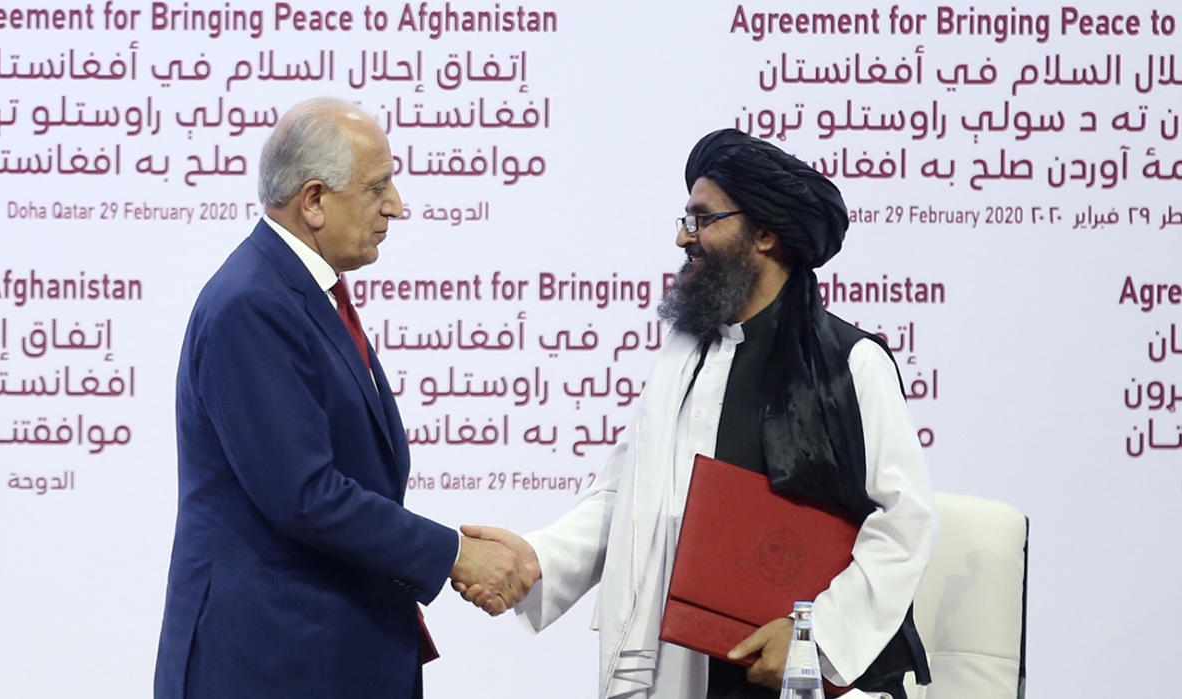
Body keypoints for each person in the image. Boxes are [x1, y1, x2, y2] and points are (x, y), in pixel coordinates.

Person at [461, 129, 937, 698]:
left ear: (763, 233)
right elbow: (628, 497)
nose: (686, 236)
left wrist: (815, 637)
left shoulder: (850, 363)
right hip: (687, 662)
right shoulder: (685, 358)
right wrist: (539, 557)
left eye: (704, 218)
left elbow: (904, 522)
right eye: (685, 219)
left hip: (802, 676)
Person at [154, 97, 530, 699]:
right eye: (377, 186)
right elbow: (304, 495)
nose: (396, 206)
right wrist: (454, 554)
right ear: (314, 201)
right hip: (271, 664)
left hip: (323, 654)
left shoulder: (299, 290)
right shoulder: (252, 304)